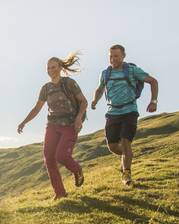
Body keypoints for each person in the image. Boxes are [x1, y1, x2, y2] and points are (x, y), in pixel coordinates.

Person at [18, 52, 87, 200]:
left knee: (61, 156)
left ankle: (77, 170)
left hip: (69, 124)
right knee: (49, 158)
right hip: (52, 125)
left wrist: (79, 118)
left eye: (54, 67)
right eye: (49, 68)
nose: (51, 70)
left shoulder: (69, 83)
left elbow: (83, 101)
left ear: (60, 67)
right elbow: (37, 108)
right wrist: (24, 122)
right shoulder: (46, 88)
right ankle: (60, 193)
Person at [91, 44, 159, 186]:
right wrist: (94, 101)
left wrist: (153, 101)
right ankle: (127, 156)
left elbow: (153, 81)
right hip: (112, 113)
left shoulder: (132, 70)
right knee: (113, 146)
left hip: (129, 111)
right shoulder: (105, 73)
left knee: (126, 141)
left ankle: (126, 174)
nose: (113, 59)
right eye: (110, 56)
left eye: (116, 56)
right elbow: (100, 89)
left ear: (123, 56)